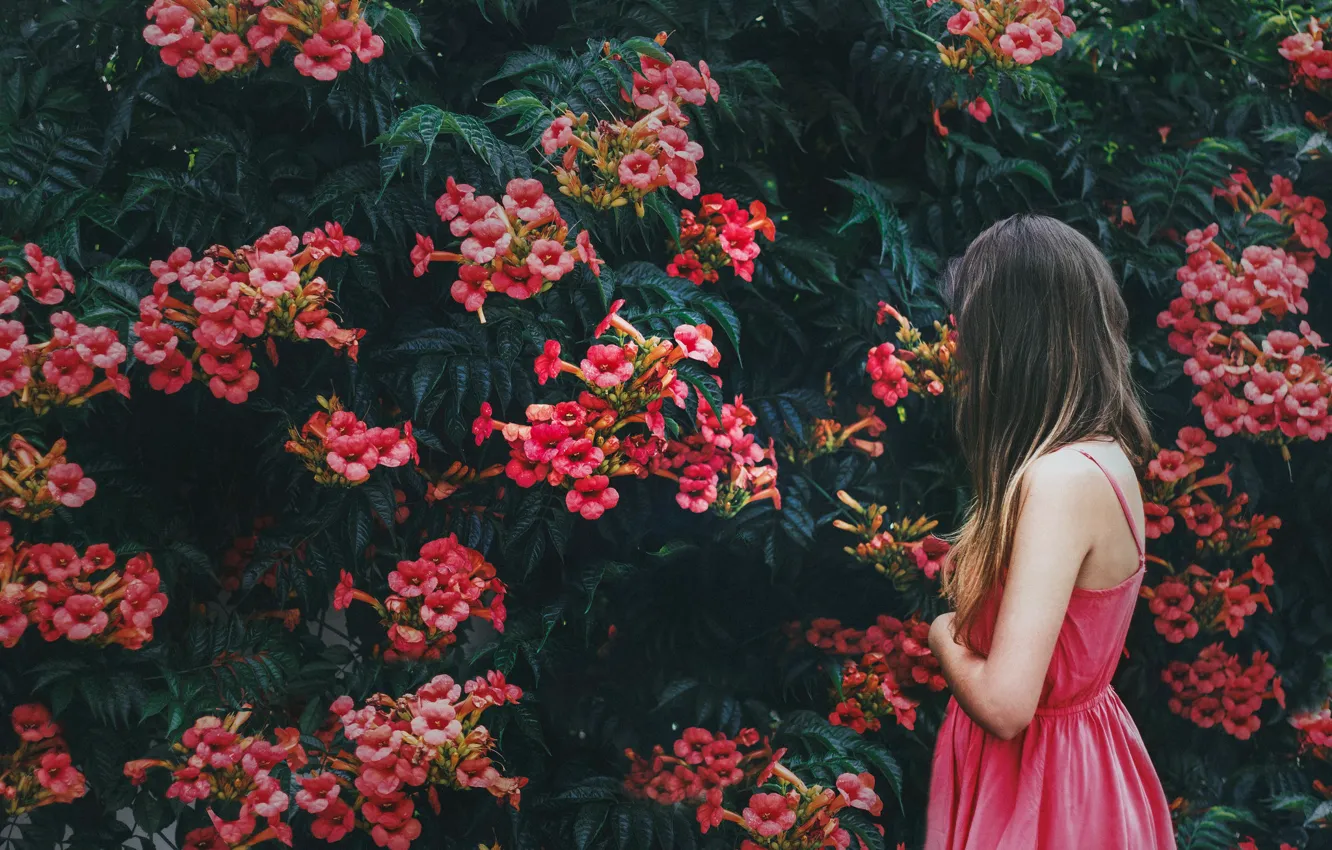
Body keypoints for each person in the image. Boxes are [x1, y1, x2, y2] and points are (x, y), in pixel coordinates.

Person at [924, 214, 1175, 849]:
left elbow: (1008, 706)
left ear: (1008, 342)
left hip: (1041, 793)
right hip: (1072, 768)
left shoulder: (1060, 481)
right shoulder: (1102, 457)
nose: (962, 353)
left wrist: (942, 635)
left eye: (970, 334)